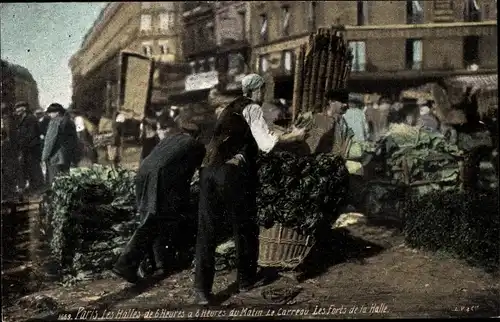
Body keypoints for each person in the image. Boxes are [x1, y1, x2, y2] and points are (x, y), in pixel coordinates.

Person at [193, 73, 305, 305]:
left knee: (207, 231)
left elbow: (236, 136)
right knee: (243, 225)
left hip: (207, 172)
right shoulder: (252, 108)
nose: (264, 95)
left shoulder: (228, 109)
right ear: (257, 91)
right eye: (263, 91)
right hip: (230, 173)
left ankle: (202, 290)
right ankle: (245, 280)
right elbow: (266, 144)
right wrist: (294, 136)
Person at [112, 122, 206, 283]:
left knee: (153, 218)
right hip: (160, 177)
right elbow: (195, 172)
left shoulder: (170, 139)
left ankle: (159, 264)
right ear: (198, 134)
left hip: (143, 173)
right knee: (153, 220)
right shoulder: (195, 145)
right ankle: (125, 264)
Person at [41, 103, 79, 186]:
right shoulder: (69, 121)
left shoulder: (54, 122)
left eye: (50, 112)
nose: (49, 114)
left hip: (56, 156)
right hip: (67, 155)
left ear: (57, 112)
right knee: (65, 180)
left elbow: (50, 141)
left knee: (55, 181)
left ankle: (55, 198)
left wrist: (44, 157)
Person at [13, 101, 44, 194]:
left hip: (32, 148)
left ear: (24, 108)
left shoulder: (30, 118)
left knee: (34, 168)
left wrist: (22, 143)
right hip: (28, 148)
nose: (16, 110)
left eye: (18, 108)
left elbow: (31, 134)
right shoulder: (23, 118)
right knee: (30, 168)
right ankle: (34, 187)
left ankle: (38, 188)